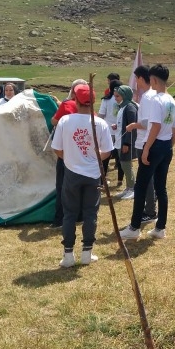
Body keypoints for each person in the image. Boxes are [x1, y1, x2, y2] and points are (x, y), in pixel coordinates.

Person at [51, 84, 113, 268]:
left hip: (71, 172)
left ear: (76, 100)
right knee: (90, 213)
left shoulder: (65, 121)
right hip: (93, 174)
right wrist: (93, 160)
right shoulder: (100, 123)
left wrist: (71, 159)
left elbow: (57, 148)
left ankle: (68, 255)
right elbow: (107, 151)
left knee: (69, 213)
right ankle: (87, 252)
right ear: (93, 102)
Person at [120, 64, 175, 240]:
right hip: (166, 145)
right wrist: (169, 146)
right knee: (161, 188)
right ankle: (160, 227)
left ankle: (134, 227)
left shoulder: (155, 99)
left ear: (153, 79)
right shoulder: (172, 100)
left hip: (154, 145)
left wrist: (146, 148)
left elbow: (155, 125)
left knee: (140, 186)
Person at [122, 66, 158, 224]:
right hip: (147, 140)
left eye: (136, 78)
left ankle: (150, 211)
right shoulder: (151, 95)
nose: (135, 82)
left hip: (144, 141)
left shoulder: (148, 97)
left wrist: (133, 126)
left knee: (146, 179)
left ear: (142, 78)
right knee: (148, 178)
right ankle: (150, 208)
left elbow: (147, 123)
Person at [50, 79, 87, 228]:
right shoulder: (90, 111)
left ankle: (60, 218)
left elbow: (54, 121)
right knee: (81, 186)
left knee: (62, 187)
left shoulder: (67, 105)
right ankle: (80, 216)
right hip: (84, 152)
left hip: (66, 152)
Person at [114, 85, 137, 200]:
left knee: (126, 165)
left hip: (125, 142)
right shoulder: (122, 107)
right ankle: (128, 187)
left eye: (118, 96)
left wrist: (127, 143)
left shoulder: (130, 107)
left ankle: (133, 188)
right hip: (119, 140)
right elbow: (123, 124)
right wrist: (116, 126)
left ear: (124, 95)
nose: (116, 98)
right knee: (123, 165)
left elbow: (132, 127)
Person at [98, 79, 124, 187]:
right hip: (119, 131)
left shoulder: (106, 100)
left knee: (105, 157)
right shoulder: (123, 99)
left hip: (108, 131)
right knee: (120, 157)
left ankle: (102, 180)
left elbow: (101, 115)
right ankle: (119, 180)